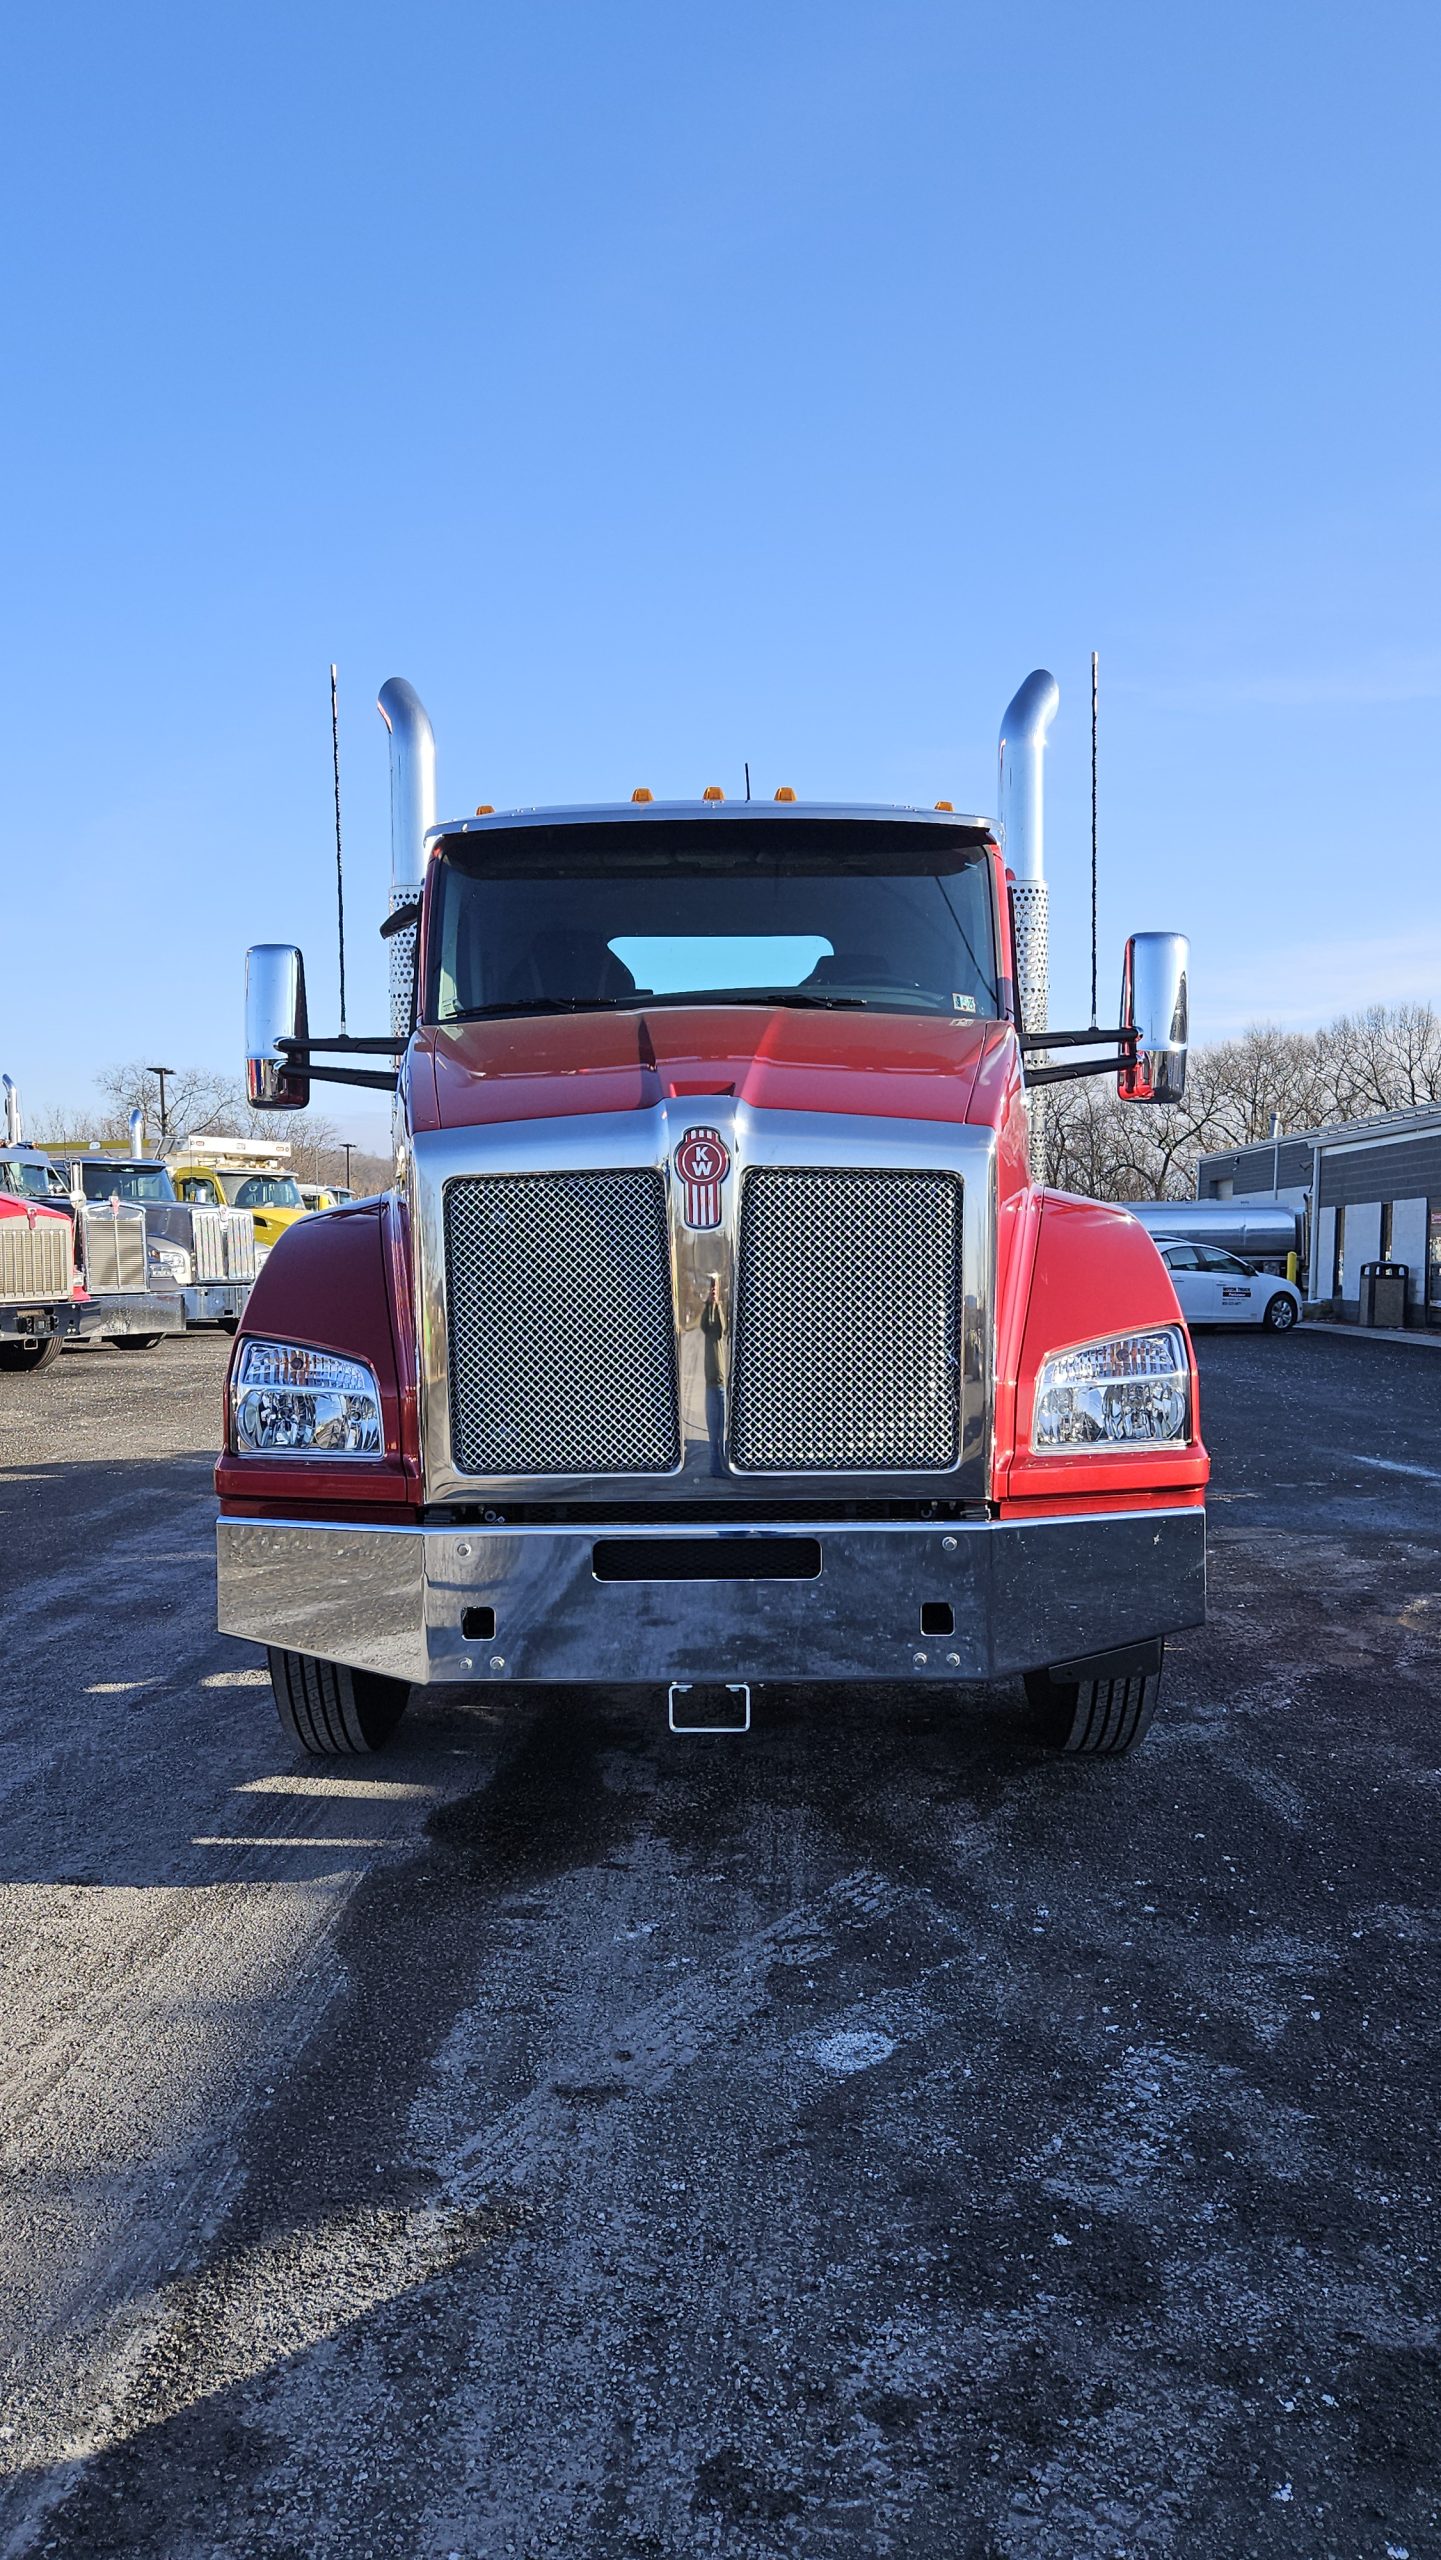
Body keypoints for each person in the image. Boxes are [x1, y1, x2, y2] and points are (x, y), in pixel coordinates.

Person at [700, 1277, 726, 1475]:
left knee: (719, 1430)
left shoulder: (717, 1334)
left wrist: (715, 1303)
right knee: (712, 1430)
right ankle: (714, 1466)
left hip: (719, 1384)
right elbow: (704, 1325)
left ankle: (720, 1466)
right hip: (711, 1385)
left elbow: (719, 1326)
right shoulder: (708, 1333)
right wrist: (710, 1302)